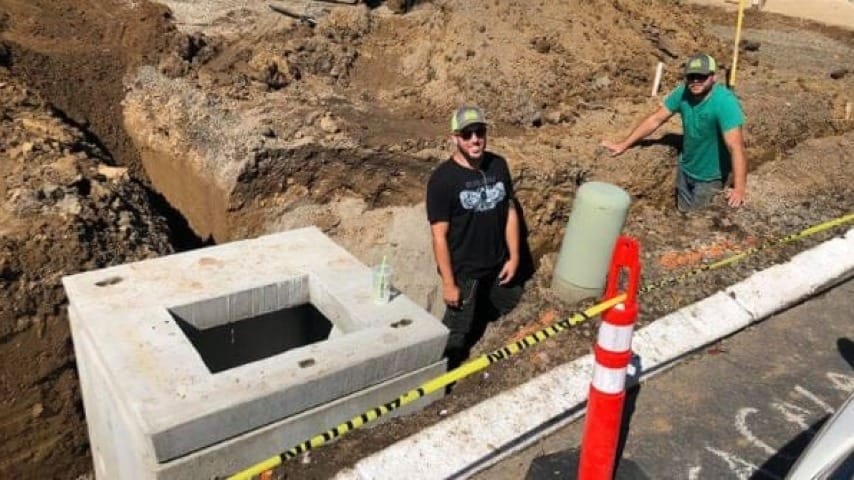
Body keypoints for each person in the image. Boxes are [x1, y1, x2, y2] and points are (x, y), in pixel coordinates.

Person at [426, 106, 523, 367]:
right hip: (464, 271)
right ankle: (442, 377)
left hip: (498, 263)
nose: (475, 139)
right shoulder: (442, 180)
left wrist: (514, 257)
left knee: (511, 305)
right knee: (457, 331)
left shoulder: (498, 165)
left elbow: (510, 211)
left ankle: (495, 350)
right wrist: (449, 283)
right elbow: (439, 236)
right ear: (455, 137)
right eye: (467, 134)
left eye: (479, 132)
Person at [601, 53, 748, 211]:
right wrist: (624, 144)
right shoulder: (683, 93)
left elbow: (736, 147)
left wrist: (739, 189)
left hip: (710, 178)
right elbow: (655, 119)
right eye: (691, 77)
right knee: (682, 212)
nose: (695, 81)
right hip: (685, 168)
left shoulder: (725, 102)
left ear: (713, 77)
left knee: (695, 222)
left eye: (701, 76)